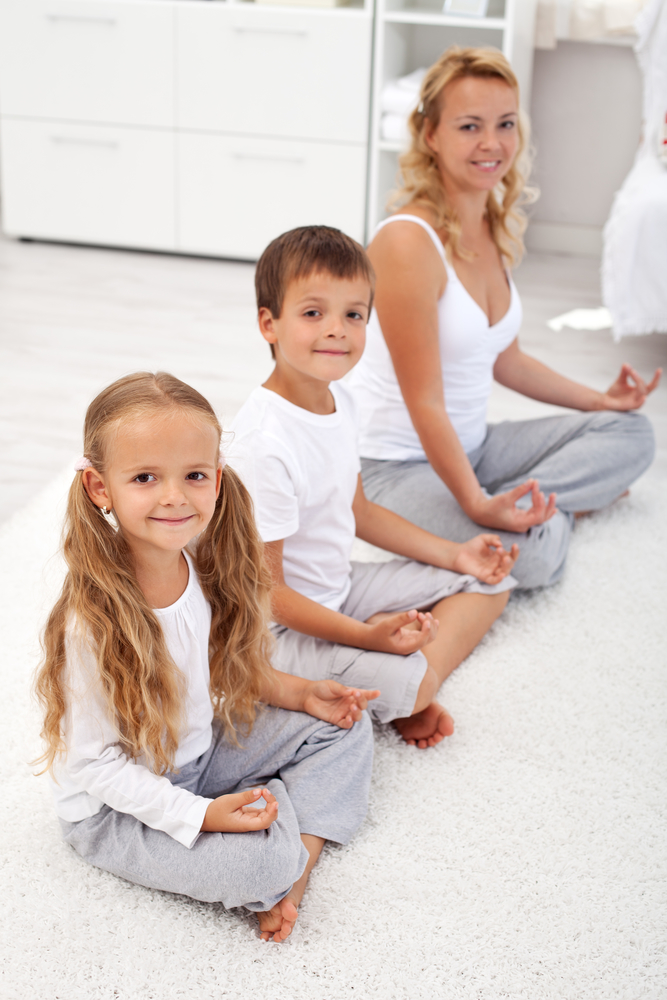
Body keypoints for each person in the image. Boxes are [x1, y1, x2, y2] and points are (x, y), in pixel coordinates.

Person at [34, 371, 378, 943]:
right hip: (114, 811)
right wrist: (203, 816)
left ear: (216, 480)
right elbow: (94, 769)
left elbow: (212, 667)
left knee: (343, 724)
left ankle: (294, 867)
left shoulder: (194, 561)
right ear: (100, 489)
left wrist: (298, 693)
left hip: (198, 754)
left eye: (194, 476)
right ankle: (282, 866)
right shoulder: (89, 623)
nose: (174, 496)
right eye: (145, 477)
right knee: (259, 865)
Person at [348, 46, 661, 590]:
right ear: (431, 135)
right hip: (393, 469)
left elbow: (507, 359)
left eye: (505, 124)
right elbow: (425, 402)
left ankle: (528, 501)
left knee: (631, 434)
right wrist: (476, 503)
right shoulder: (406, 243)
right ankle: (546, 508)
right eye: (470, 126)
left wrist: (600, 400)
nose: (492, 144)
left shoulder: (490, 224)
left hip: (476, 446)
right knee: (531, 556)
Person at [229, 226, 517, 751]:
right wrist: (364, 637)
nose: (337, 330)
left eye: (354, 314)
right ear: (269, 324)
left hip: (338, 591)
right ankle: (403, 676)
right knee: (410, 682)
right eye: (313, 313)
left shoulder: (343, 402)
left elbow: (359, 511)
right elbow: (266, 596)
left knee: (489, 581)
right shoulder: (261, 444)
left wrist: (458, 556)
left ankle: (397, 660)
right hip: (279, 636)